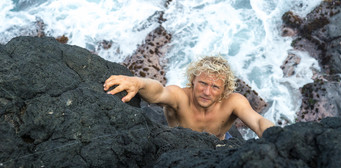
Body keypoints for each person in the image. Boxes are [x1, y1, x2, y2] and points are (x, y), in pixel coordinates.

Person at [104, 56, 274, 140]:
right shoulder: (180, 97)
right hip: (181, 147)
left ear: (224, 91)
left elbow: (258, 122)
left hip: (220, 148)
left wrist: (279, 136)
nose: (207, 92)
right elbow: (159, 92)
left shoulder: (233, 102)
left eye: (215, 87)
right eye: (203, 83)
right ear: (193, 80)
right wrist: (138, 82)